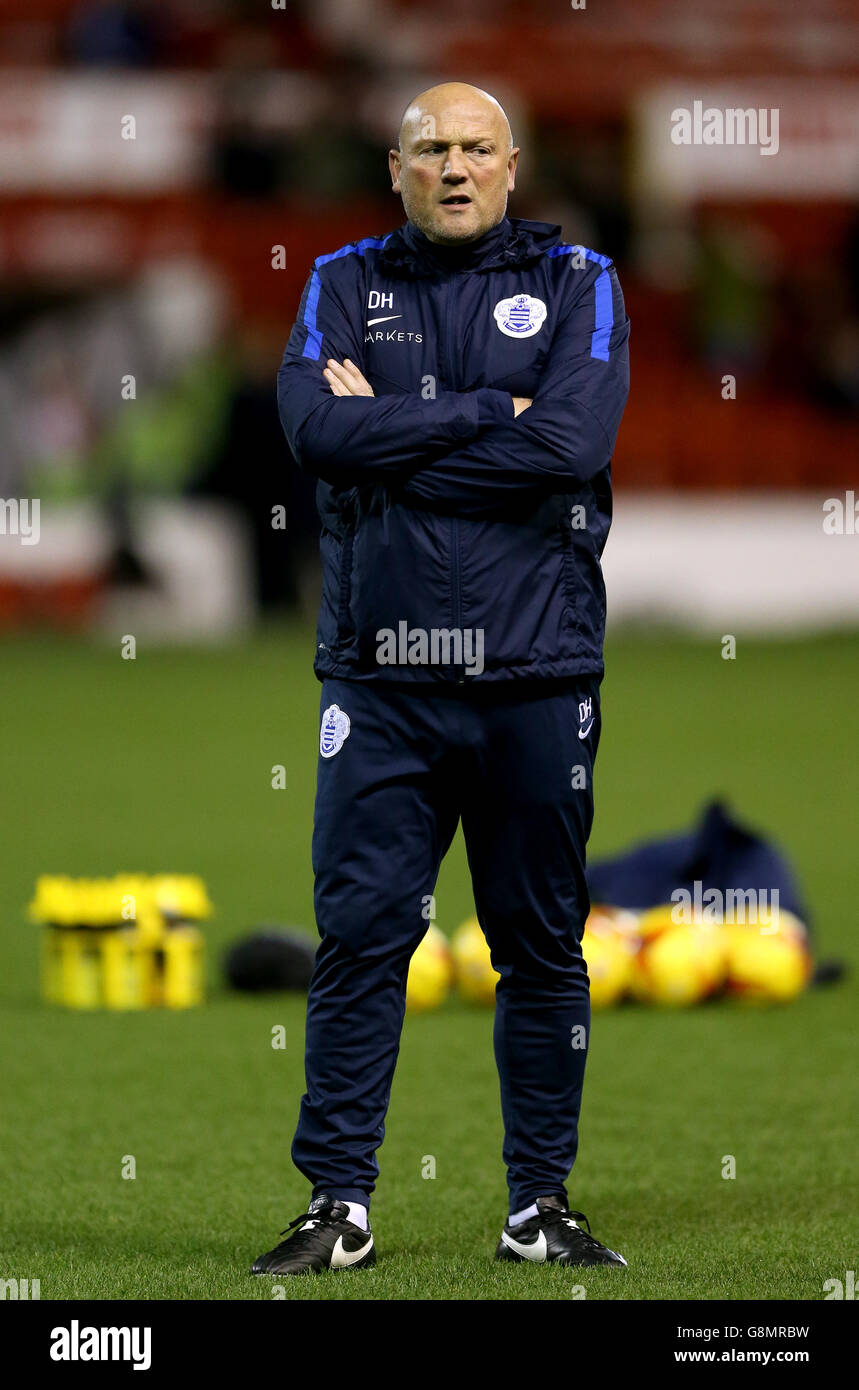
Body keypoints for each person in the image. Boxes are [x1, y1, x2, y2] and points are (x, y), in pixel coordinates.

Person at [252, 81, 630, 1276]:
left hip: (535, 673)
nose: (454, 166)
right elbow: (316, 438)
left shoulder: (583, 285)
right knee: (361, 940)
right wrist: (485, 415)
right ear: (395, 166)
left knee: (541, 949)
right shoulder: (340, 284)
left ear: (513, 164)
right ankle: (339, 1206)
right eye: (431, 148)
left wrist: (398, 448)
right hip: (380, 683)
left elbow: (569, 446)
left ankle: (539, 1205)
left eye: (476, 147)